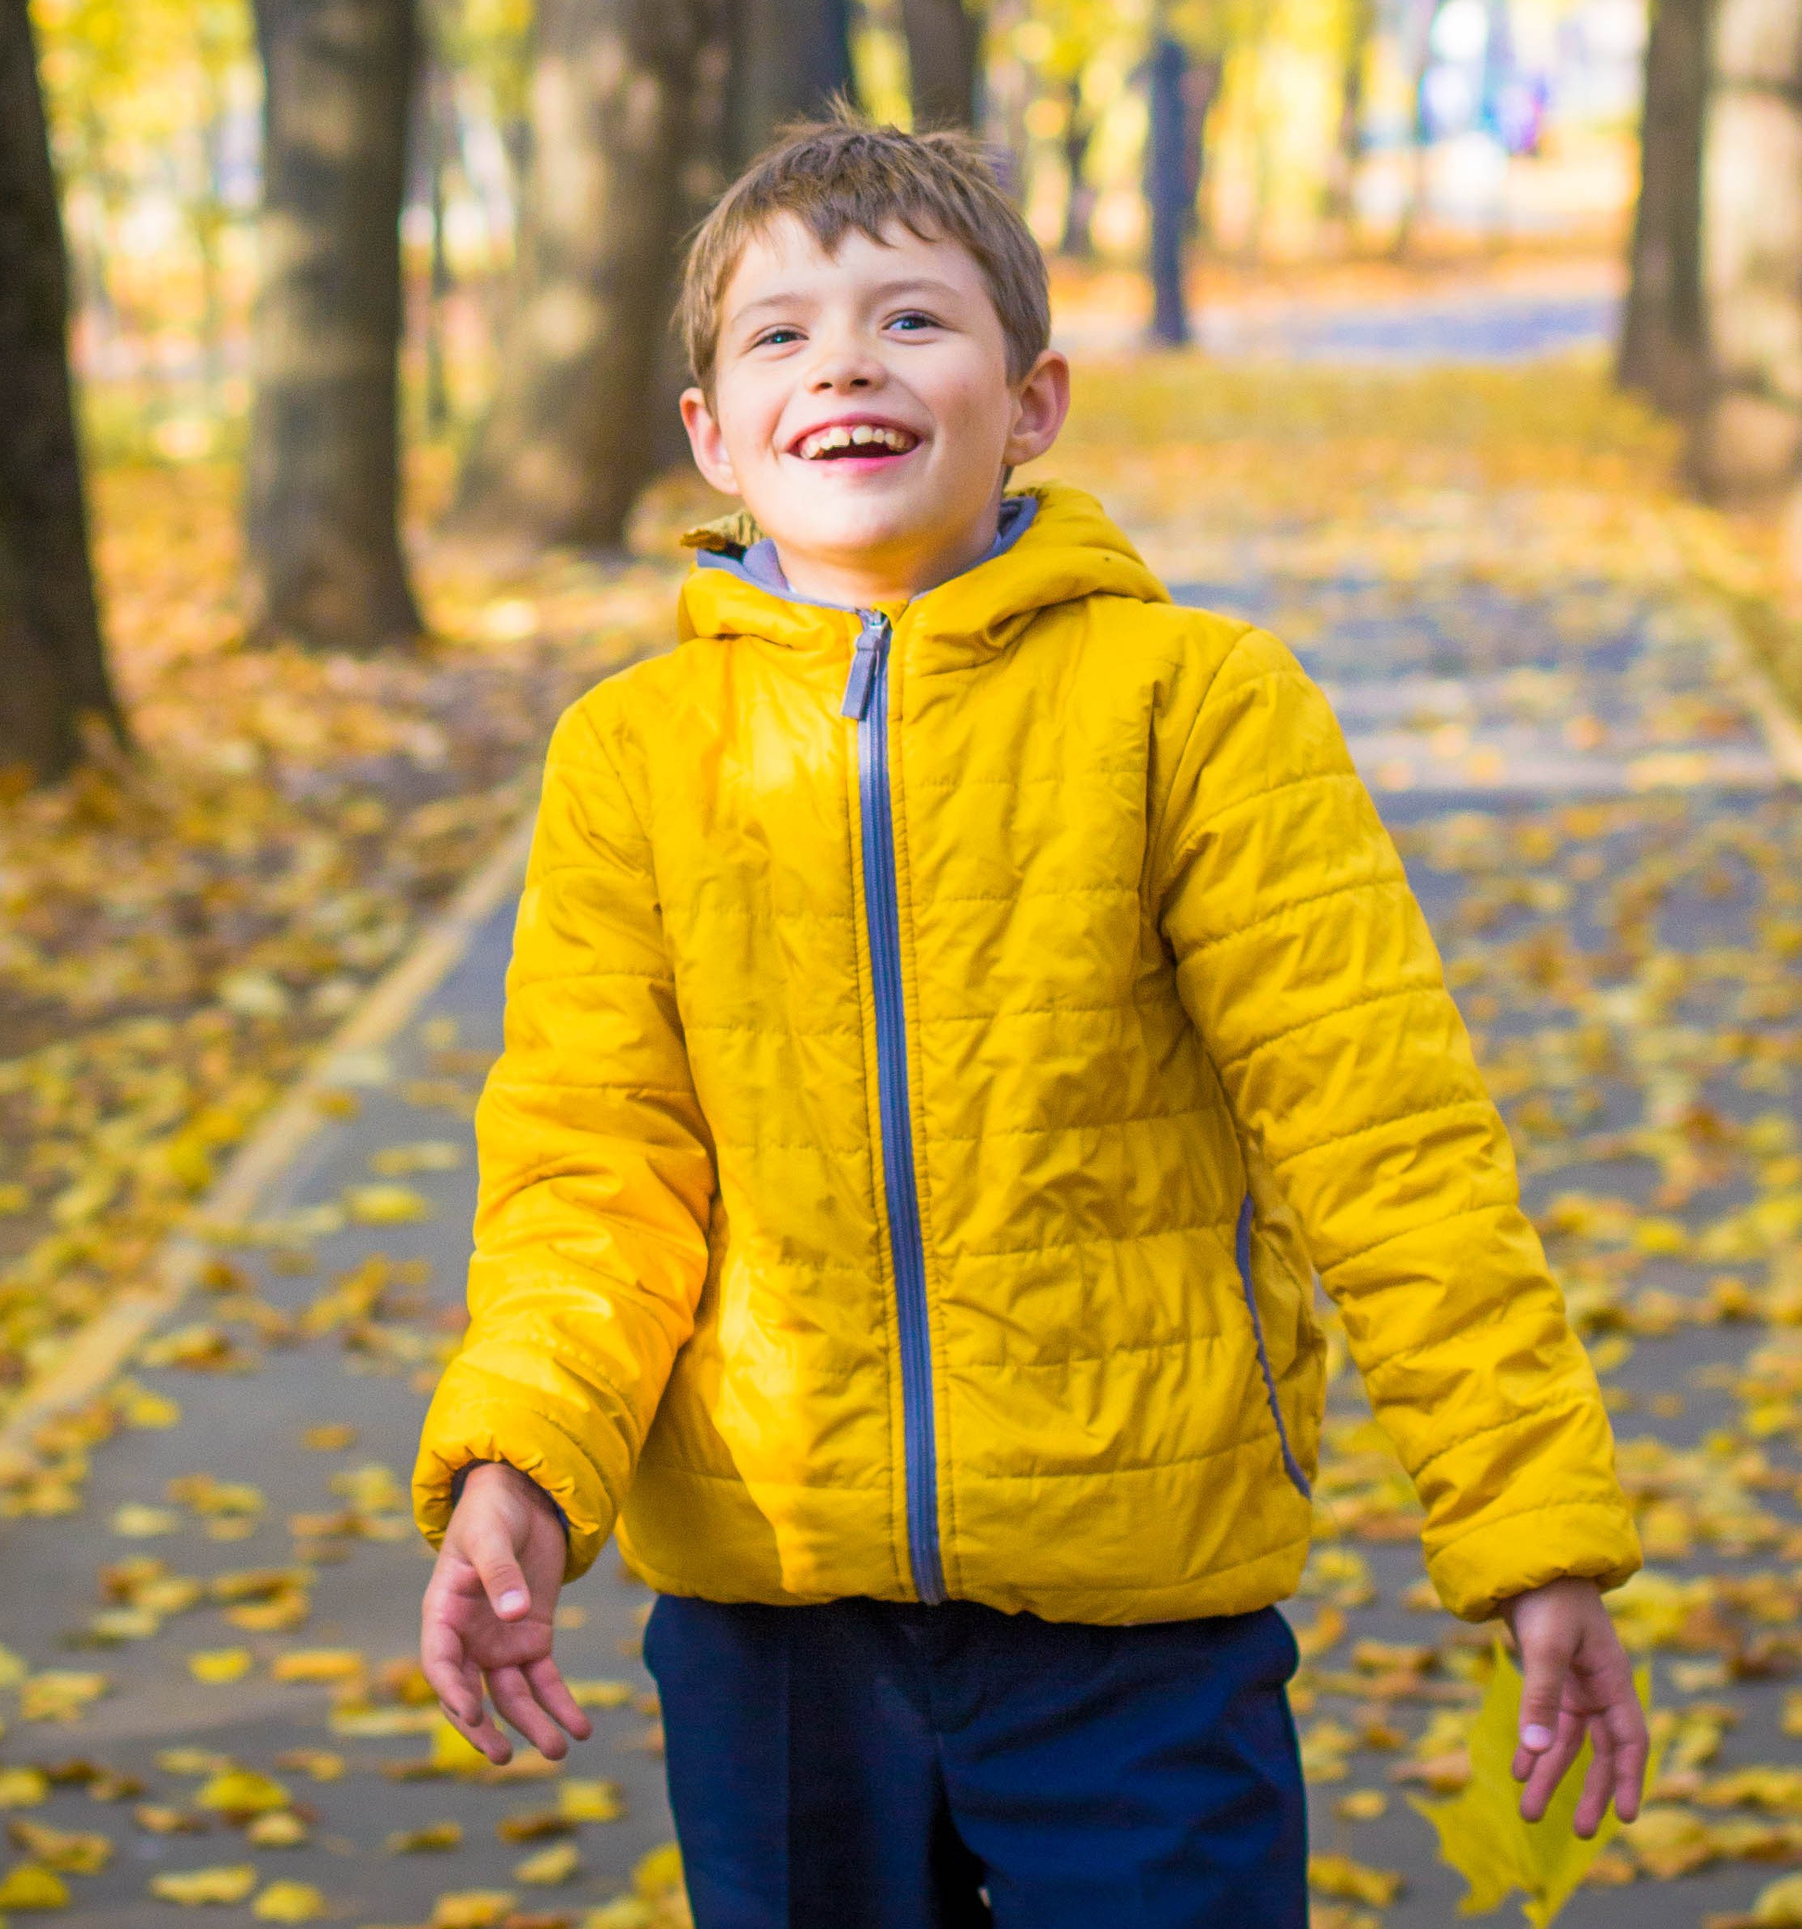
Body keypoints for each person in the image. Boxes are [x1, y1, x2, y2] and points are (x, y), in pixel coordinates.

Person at [413, 119, 1646, 1927]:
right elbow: (590, 1170)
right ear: (711, 439)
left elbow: (1385, 1141)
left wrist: (1533, 1533)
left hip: (1138, 1628)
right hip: (772, 1628)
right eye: (779, 336)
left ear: (1033, 400)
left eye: (910, 320)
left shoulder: (1196, 706)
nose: (842, 360)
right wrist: (522, 1459)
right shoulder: (635, 756)